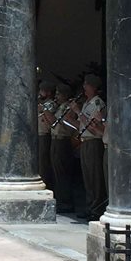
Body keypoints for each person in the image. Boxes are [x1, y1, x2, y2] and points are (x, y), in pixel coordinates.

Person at [69, 74, 107, 221]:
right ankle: (90, 206)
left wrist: (78, 112)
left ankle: (97, 208)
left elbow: (92, 126)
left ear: (93, 87)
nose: (84, 87)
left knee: (95, 177)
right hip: (85, 141)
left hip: (93, 142)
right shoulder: (87, 103)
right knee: (87, 177)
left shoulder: (97, 103)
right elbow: (82, 125)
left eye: (86, 84)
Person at [44, 84, 77, 213]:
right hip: (55, 139)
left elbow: (58, 122)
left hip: (63, 141)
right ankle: (60, 200)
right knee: (56, 172)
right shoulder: (59, 107)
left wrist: (46, 111)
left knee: (63, 173)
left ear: (65, 95)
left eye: (58, 94)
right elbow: (52, 125)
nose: (56, 96)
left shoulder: (67, 107)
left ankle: (66, 202)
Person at [38, 81, 56, 191]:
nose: (40, 93)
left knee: (43, 163)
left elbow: (51, 121)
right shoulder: (41, 103)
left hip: (45, 135)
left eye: (42, 91)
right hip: (38, 134)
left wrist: (43, 110)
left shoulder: (50, 104)